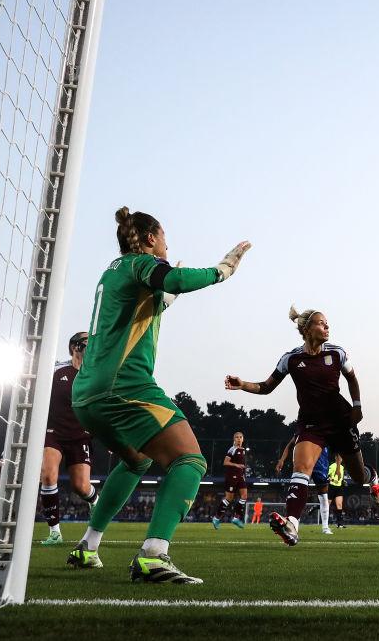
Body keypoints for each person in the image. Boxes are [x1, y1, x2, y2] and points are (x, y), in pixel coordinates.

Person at [67, 206, 250, 583]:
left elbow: (152, 301)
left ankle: (88, 546)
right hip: (124, 385)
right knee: (190, 460)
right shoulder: (139, 263)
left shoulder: (112, 273)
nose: (167, 243)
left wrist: (169, 293)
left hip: (87, 393)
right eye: (164, 236)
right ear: (151, 238)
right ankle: (153, 554)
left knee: (136, 461)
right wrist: (223, 270)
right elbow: (176, 279)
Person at [225, 305, 379, 547]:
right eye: (321, 323)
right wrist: (242, 383)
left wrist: (357, 406)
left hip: (341, 421)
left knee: (359, 477)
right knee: (301, 469)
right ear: (307, 329)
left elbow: (352, 378)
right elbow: (267, 387)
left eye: (327, 322)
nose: (327, 326)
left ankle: (373, 477)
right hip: (311, 423)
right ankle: (291, 525)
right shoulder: (291, 359)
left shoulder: (337, 353)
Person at [41, 331, 99, 546]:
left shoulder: (95, 374)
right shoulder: (56, 370)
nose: (93, 345)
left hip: (80, 435)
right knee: (48, 475)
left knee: (81, 487)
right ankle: (54, 531)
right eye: (88, 342)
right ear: (75, 347)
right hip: (53, 432)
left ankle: (94, 500)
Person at [276, 433, 333, 534]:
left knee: (324, 495)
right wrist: (282, 460)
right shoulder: (302, 429)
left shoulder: (326, 427)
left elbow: (337, 450)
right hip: (305, 460)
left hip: (321, 463)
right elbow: (290, 445)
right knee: (298, 489)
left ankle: (325, 527)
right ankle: (294, 523)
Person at [212, 431, 248, 529]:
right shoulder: (232, 449)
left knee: (244, 496)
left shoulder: (243, 449)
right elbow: (225, 462)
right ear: (234, 439)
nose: (239, 439)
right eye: (237, 437)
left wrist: (243, 473)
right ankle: (216, 518)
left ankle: (236, 518)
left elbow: (242, 465)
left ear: (243, 439)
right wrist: (236, 465)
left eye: (240, 437)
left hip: (240, 476)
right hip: (231, 476)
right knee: (229, 498)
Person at [327, 454, 346, 528]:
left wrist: (343, 481)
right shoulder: (332, 466)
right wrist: (333, 480)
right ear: (336, 458)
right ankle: (325, 523)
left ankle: (340, 524)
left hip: (339, 488)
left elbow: (341, 478)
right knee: (326, 505)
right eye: (339, 457)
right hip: (332, 487)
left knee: (339, 505)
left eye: (341, 458)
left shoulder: (342, 467)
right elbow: (327, 476)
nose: (340, 459)